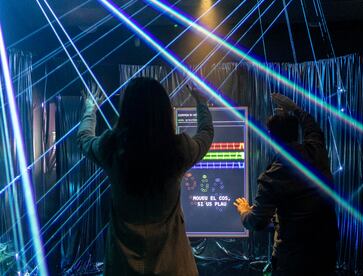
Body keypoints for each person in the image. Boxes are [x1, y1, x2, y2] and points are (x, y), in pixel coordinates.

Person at [77, 78, 214, 275]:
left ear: (126, 111)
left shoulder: (111, 148)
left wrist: (90, 110)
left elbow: (84, 139)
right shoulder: (178, 150)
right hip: (173, 266)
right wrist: (202, 103)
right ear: (164, 110)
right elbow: (206, 134)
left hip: (122, 267)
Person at [234, 93, 339, 276]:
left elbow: (257, 222)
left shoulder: (273, 175)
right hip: (325, 256)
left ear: (270, 137)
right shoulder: (317, 151)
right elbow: (313, 128)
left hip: (292, 262)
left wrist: (244, 210)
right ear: (296, 133)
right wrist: (295, 109)